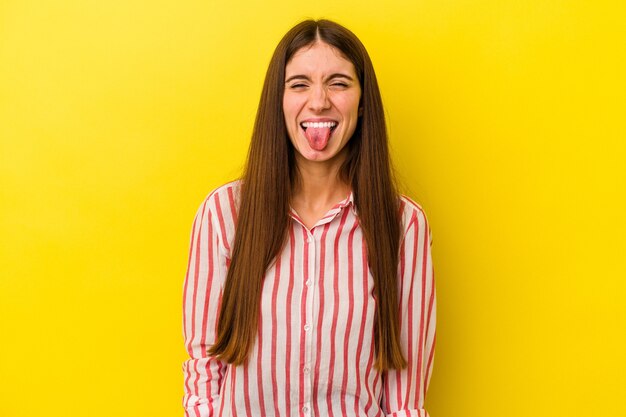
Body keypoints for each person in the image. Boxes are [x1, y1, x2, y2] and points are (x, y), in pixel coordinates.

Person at [182, 19, 436, 417]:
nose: (318, 101)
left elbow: (406, 399)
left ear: (363, 100)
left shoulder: (404, 225)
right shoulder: (223, 214)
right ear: (278, 101)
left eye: (338, 83)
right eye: (299, 84)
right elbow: (203, 372)